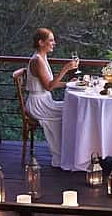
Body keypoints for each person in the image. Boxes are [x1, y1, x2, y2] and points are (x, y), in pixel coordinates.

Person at [24, 28, 78, 167]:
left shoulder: (42, 57)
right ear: (41, 42)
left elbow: (49, 84)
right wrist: (65, 70)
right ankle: (63, 155)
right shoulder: (37, 61)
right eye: (51, 40)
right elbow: (49, 86)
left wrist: (68, 83)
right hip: (38, 104)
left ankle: (72, 151)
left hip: (45, 100)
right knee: (69, 112)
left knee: (72, 108)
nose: (54, 43)